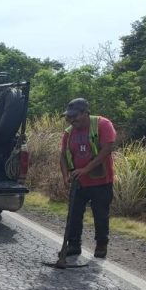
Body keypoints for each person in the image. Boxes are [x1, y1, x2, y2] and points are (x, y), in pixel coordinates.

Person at [59, 98, 116, 259]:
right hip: (79, 182)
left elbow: (107, 150)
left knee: (101, 215)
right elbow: (62, 156)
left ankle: (101, 245)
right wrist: (65, 176)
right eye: (68, 117)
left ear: (84, 113)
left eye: (74, 116)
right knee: (74, 215)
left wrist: (85, 169)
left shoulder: (102, 124)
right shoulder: (69, 132)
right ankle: (73, 245)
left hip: (101, 181)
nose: (71, 120)